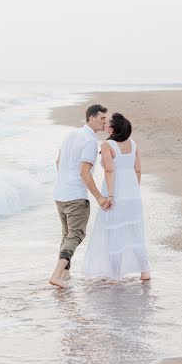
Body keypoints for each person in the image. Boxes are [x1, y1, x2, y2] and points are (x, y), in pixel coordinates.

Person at [81, 112, 151, 282]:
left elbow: (110, 170)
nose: (104, 123)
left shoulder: (107, 145)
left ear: (112, 129)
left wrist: (111, 195)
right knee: (135, 233)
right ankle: (145, 271)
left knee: (114, 233)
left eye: (107, 122)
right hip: (133, 195)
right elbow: (138, 169)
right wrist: (133, 189)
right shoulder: (133, 144)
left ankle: (115, 274)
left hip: (116, 194)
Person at [49, 104, 110, 289]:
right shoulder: (90, 142)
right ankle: (56, 275)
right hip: (75, 195)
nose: (104, 122)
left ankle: (66, 273)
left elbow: (58, 161)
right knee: (76, 235)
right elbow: (85, 172)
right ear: (91, 118)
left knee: (67, 235)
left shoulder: (71, 135)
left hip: (60, 194)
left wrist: (64, 182)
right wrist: (99, 197)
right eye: (102, 118)